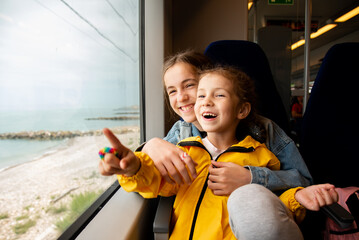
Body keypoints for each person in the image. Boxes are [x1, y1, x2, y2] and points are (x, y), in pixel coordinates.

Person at [99, 66, 337, 239]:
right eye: (201, 96)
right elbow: (155, 179)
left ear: (242, 110)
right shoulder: (185, 151)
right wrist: (134, 167)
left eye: (218, 95)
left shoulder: (261, 154)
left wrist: (297, 198)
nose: (205, 102)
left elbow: (269, 206)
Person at [99, 50, 313, 195]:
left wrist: (251, 177)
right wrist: (146, 148)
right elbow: (151, 175)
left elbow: (304, 181)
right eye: (172, 91)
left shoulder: (264, 128)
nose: (181, 97)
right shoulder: (180, 133)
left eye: (189, 85)